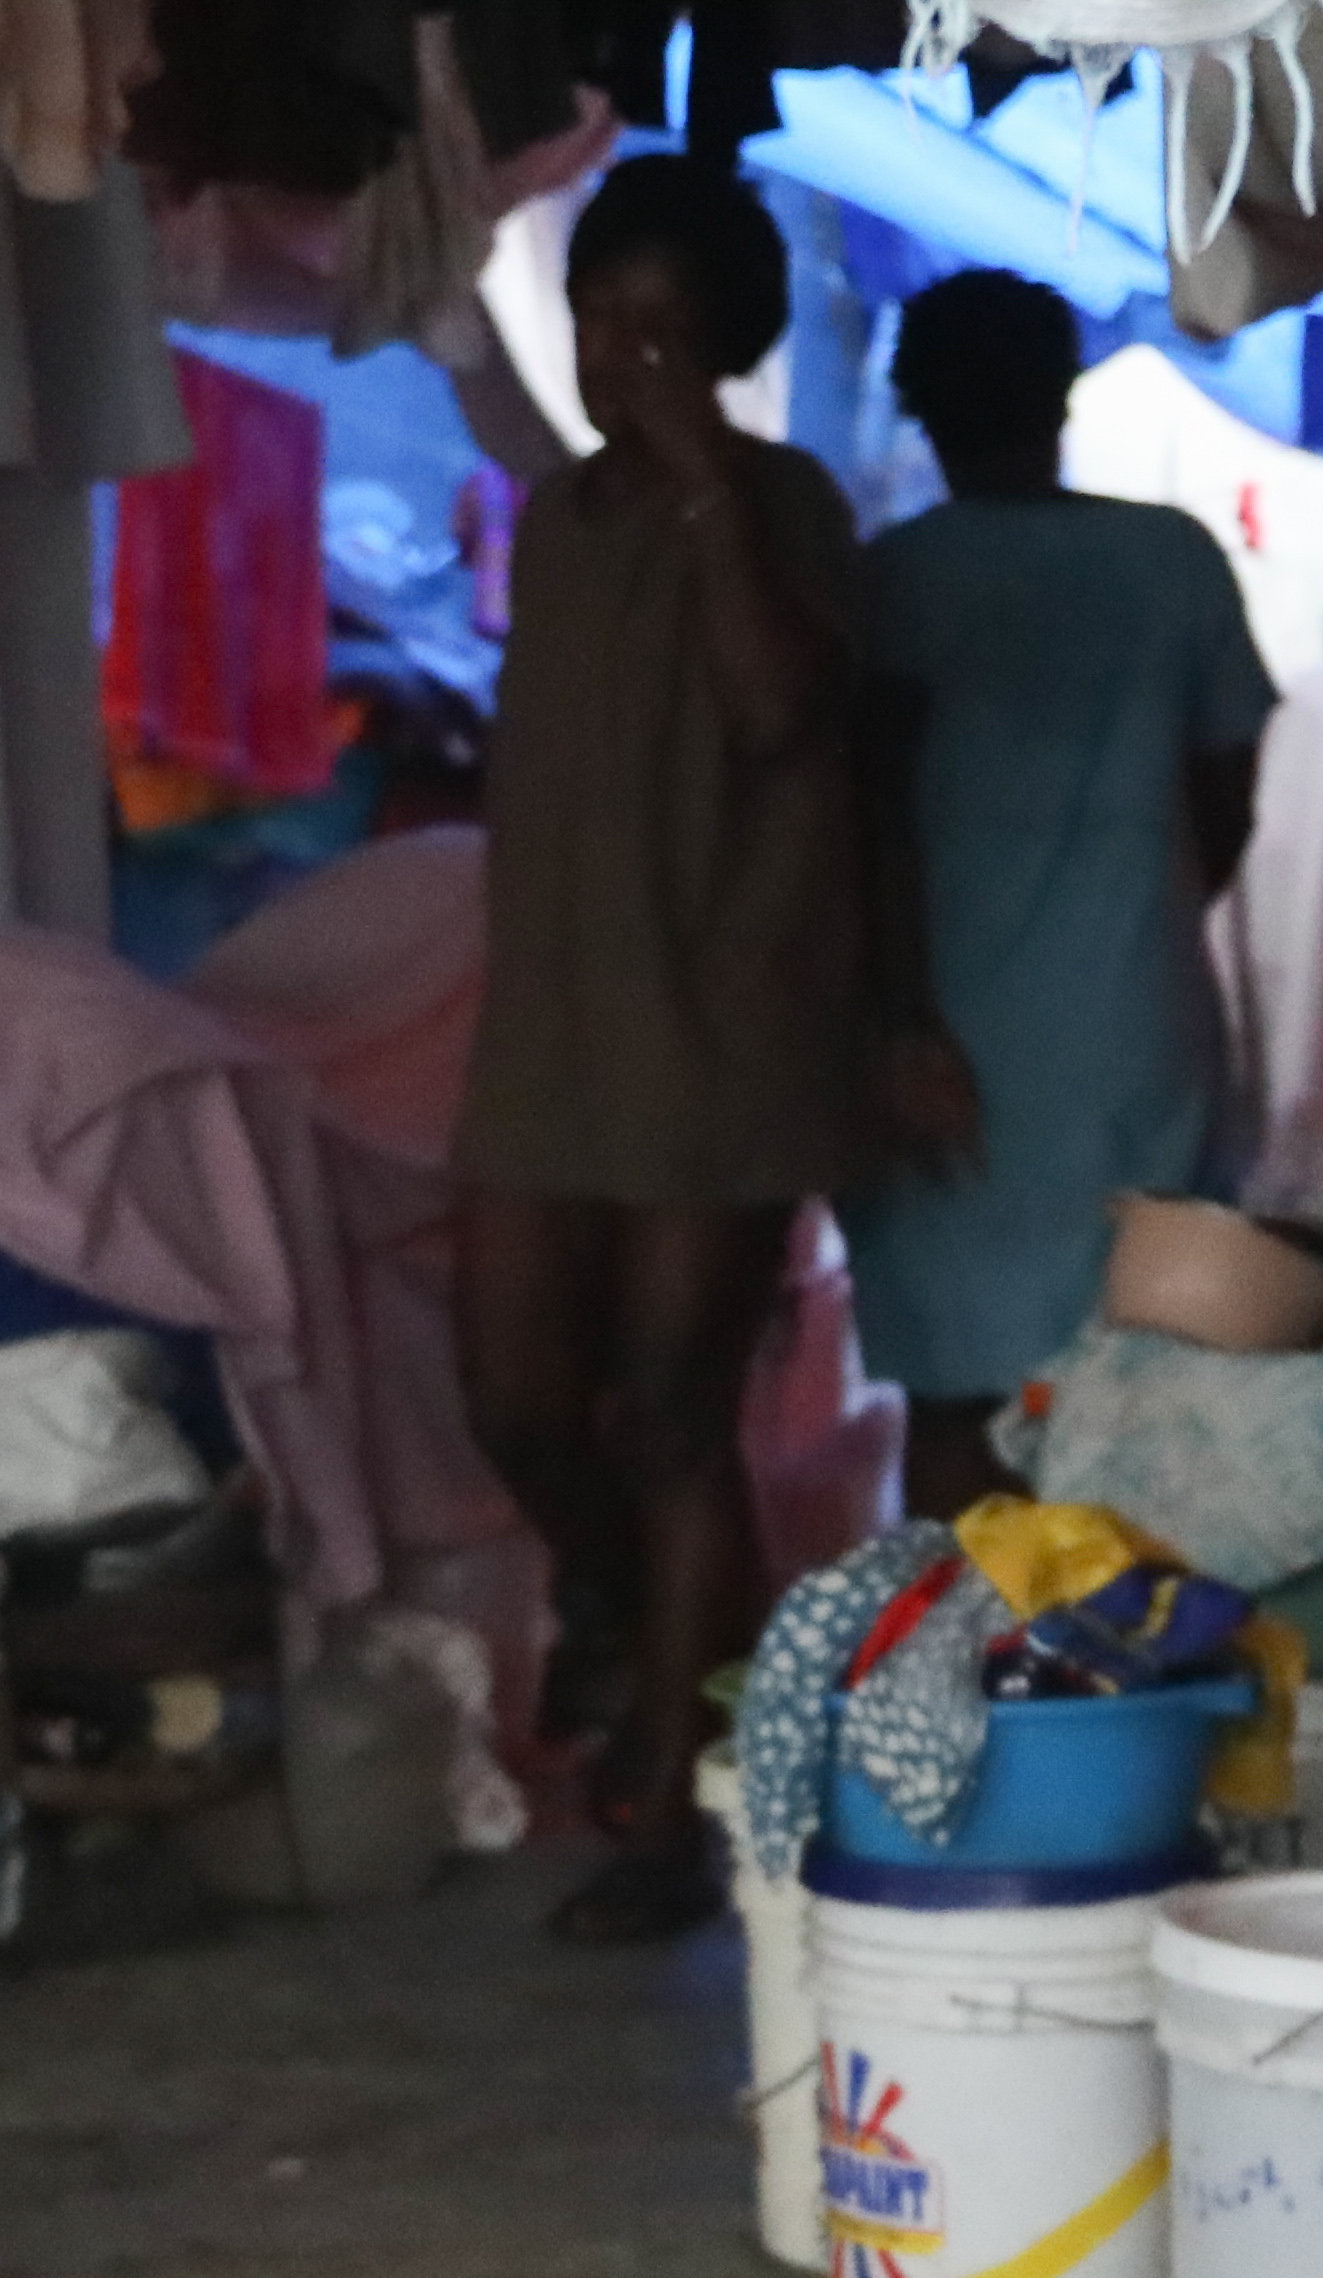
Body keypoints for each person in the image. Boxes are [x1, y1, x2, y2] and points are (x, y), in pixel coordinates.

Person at [452, 153, 870, 1944]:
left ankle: (667, 1826)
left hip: (725, 1025)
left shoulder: (791, 507)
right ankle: (643, 1628)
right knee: (520, 1398)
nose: (620, 359)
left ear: (730, 348)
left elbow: (783, 715)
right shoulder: (557, 520)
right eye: (597, 320)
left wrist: (708, 482)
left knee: (678, 1411)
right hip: (553, 1019)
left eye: (660, 332)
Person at [849, 269, 1276, 1518]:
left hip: (934, 1032)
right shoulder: (1171, 561)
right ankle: (1109, 1681)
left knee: (952, 1404)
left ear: (916, 408)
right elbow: (1231, 796)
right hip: (1132, 1020)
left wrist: (895, 1021)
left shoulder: (890, 585)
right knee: (1136, 1398)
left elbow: (858, 821)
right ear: (1064, 393)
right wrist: (1139, 901)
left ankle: (958, 1690)